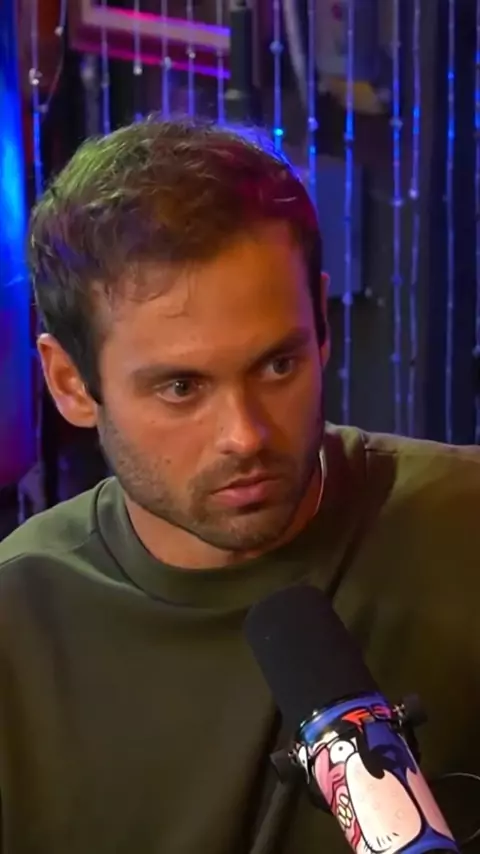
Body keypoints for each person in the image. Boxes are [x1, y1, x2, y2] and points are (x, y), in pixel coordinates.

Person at [0, 116, 479, 854]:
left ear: (322, 325)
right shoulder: (18, 626)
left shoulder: (462, 525)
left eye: (278, 365)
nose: (246, 436)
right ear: (70, 382)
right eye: (182, 387)